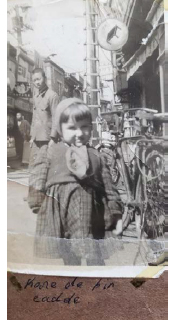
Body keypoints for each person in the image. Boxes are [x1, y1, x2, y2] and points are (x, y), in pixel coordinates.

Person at [29, 98, 123, 265]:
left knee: (95, 255)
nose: (79, 133)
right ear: (60, 128)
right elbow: (39, 176)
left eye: (84, 127)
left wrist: (116, 214)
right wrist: (37, 202)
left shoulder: (96, 156)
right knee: (70, 256)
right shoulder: (50, 151)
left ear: (91, 128)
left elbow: (109, 188)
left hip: (93, 216)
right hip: (62, 213)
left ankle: (97, 284)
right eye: (72, 128)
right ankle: (75, 283)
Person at [28, 68, 59, 202]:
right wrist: (31, 136)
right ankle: (32, 195)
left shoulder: (52, 96)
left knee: (45, 167)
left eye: (39, 79)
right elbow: (34, 117)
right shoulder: (35, 95)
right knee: (33, 165)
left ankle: (43, 196)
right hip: (36, 137)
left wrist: (53, 138)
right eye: (34, 80)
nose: (37, 82)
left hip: (47, 138)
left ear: (44, 79)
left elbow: (56, 117)